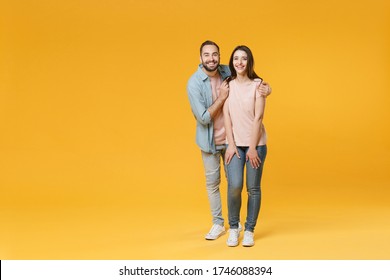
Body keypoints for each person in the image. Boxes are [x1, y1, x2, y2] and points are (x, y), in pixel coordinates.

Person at [187, 41, 272, 240]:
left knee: (245, 186)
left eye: (215, 54)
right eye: (206, 55)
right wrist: (222, 96)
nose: (211, 59)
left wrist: (268, 90)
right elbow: (204, 117)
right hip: (212, 141)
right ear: (200, 59)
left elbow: (252, 81)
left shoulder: (227, 71)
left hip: (237, 140)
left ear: (219, 57)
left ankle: (245, 228)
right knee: (219, 184)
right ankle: (221, 224)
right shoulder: (196, 83)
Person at [223, 45, 268, 247]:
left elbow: (258, 117)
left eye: (243, 59)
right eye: (236, 59)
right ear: (232, 62)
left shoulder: (258, 85)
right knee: (234, 186)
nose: (239, 62)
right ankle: (234, 228)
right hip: (234, 145)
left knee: (253, 188)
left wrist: (252, 148)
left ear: (249, 62)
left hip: (255, 145)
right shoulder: (227, 84)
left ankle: (249, 229)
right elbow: (226, 116)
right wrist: (231, 145)